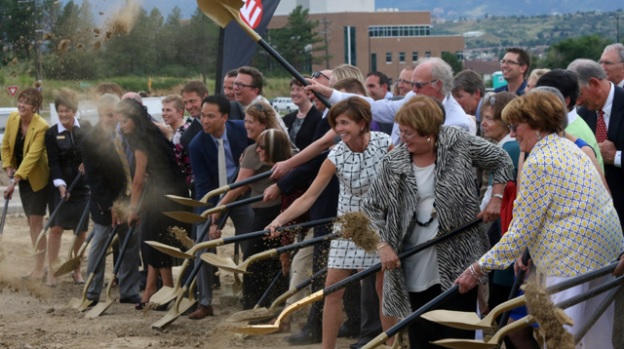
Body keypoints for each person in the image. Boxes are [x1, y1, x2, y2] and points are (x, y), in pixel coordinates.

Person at [455, 90, 624, 349]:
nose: (511, 133)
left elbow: (519, 232)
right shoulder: (569, 146)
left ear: (535, 123)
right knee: (595, 341)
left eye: (515, 126)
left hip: (570, 260)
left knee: (560, 340)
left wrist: (477, 269)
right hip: (603, 254)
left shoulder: (540, 161)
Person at [362, 95, 513, 348]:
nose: (402, 138)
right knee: (422, 333)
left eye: (409, 133)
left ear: (429, 132)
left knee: (456, 334)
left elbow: (501, 160)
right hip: (413, 260)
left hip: (458, 258)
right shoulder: (393, 162)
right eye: (401, 131)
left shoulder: (457, 142)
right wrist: (383, 246)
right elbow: (371, 209)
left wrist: (496, 197)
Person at [268, 97, 395, 349]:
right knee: (332, 290)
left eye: (345, 123)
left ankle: (392, 344)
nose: (340, 129)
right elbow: (309, 196)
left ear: (362, 123)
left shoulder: (385, 144)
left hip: (380, 225)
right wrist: (280, 219)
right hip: (348, 227)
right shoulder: (336, 154)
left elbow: (400, 187)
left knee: (383, 290)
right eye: (337, 124)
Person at [210, 101, 288, 309]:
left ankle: (253, 303)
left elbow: (238, 187)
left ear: (264, 124)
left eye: (251, 122)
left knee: (254, 258)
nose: (247, 126)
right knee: (275, 257)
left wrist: (218, 208)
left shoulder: (256, 150)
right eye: (245, 121)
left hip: (266, 212)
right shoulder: (280, 142)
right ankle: (274, 302)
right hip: (281, 210)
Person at [115, 99, 191, 309]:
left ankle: (166, 290)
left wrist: (133, 209)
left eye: (125, 121)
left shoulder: (139, 140)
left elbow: (138, 180)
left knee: (157, 241)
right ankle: (151, 289)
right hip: (165, 189)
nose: (122, 126)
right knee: (151, 237)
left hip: (166, 193)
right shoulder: (151, 131)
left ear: (135, 119)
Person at [187, 94, 253, 319]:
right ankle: (204, 302)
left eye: (210, 116)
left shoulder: (242, 130)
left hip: (243, 194)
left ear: (225, 117)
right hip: (212, 197)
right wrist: (212, 217)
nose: (204, 120)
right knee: (201, 245)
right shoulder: (197, 144)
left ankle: (254, 295)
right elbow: (203, 185)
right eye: (202, 115)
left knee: (252, 241)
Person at [82, 93, 141, 306]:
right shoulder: (91, 140)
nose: (110, 119)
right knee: (101, 240)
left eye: (114, 114)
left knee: (130, 242)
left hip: (128, 196)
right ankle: (92, 291)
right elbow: (95, 180)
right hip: (104, 201)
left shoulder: (129, 133)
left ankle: (129, 290)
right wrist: (110, 206)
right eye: (105, 115)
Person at [567, 58, 624, 227]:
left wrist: (616, 157)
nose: (577, 102)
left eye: (580, 94)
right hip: (599, 217)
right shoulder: (582, 115)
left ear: (594, 84)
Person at [1, 87, 50, 280]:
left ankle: (39, 268)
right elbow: (5, 146)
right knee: (31, 222)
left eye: (26, 102)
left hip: (38, 179)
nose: (21, 105)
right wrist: (8, 168)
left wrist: (14, 180)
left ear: (35, 107)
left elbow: (32, 156)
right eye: (20, 101)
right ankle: (38, 266)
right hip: (21, 178)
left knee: (36, 223)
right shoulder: (13, 119)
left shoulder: (42, 126)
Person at [44, 90, 91, 287]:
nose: (63, 115)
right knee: (55, 229)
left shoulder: (86, 129)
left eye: (67, 111)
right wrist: (61, 185)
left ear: (75, 111)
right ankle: (52, 271)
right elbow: (53, 163)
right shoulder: (52, 133)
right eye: (60, 111)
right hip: (59, 187)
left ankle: (75, 269)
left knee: (80, 233)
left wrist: (87, 162)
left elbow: (94, 151)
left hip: (82, 188)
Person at [282, 77, 322, 150]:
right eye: (292, 89)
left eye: (298, 89)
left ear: (309, 92)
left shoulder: (319, 118)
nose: (294, 93)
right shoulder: (287, 118)